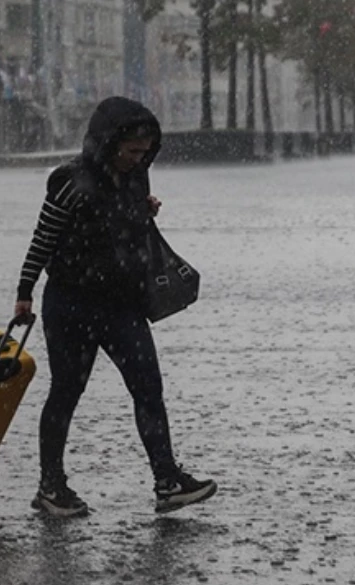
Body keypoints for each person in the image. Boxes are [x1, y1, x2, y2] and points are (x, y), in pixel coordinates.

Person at [14, 96, 217, 517]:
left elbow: (123, 229)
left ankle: (166, 480)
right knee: (67, 392)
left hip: (122, 303)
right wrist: (24, 293)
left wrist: (142, 210)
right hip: (71, 304)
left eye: (145, 153)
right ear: (107, 143)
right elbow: (43, 238)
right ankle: (51, 486)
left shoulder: (136, 178)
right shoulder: (69, 182)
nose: (137, 160)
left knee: (148, 389)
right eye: (130, 151)